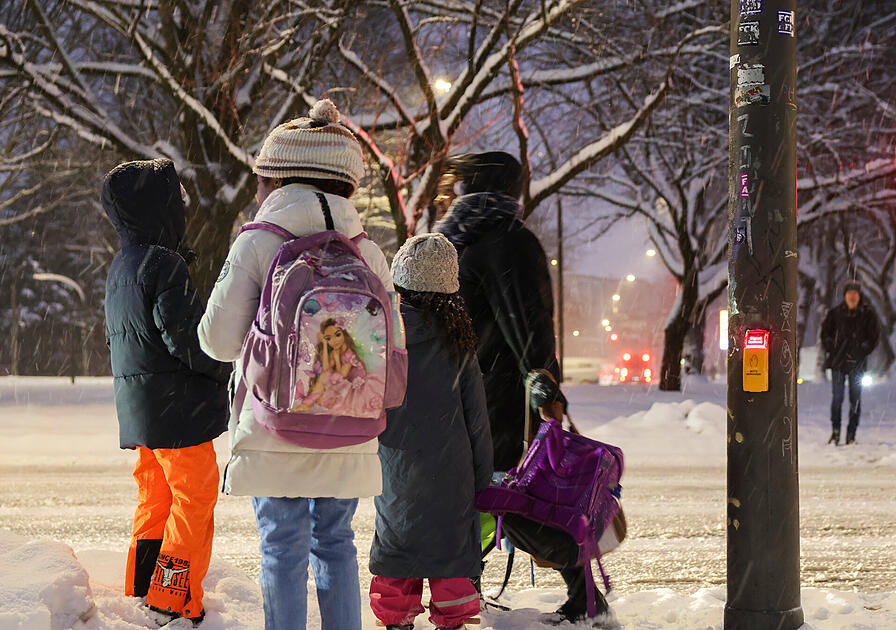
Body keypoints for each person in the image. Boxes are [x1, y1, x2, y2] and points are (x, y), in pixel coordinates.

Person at [198, 99, 398, 630]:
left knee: (282, 547)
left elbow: (217, 341)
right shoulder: (369, 253)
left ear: (277, 178)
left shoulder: (258, 243)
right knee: (336, 543)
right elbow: (392, 353)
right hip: (350, 425)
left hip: (275, 425)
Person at [434, 152, 602, 624]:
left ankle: (471, 590)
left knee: (493, 498)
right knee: (505, 497)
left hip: (479, 394)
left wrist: (539, 382)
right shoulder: (495, 239)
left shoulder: (472, 240)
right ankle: (581, 597)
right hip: (488, 394)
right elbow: (525, 324)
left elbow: (519, 322)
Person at [102, 158, 230, 626]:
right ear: (160, 208)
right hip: (178, 412)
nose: (183, 209)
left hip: (141, 411)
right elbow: (188, 340)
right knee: (194, 497)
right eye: (177, 201)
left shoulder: (121, 266)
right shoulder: (163, 263)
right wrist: (226, 368)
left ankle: (144, 584)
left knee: (156, 498)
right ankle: (171, 598)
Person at [368, 233, 494, 630]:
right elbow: (477, 418)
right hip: (452, 470)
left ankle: (395, 616)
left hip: (395, 464)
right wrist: (482, 478)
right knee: (449, 548)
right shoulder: (458, 341)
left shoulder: (383, 335)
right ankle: (452, 615)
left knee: (397, 541)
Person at [820, 281, 880, 445]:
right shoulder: (835, 314)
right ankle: (836, 432)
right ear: (845, 295)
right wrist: (832, 347)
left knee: (856, 399)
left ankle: (851, 434)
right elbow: (825, 334)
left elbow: (874, 336)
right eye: (849, 293)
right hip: (838, 362)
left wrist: (863, 349)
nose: (852, 297)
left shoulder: (867, 315)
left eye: (855, 294)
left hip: (857, 363)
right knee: (837, 398)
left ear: (859, 296)